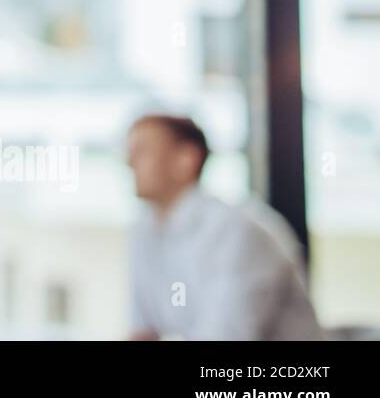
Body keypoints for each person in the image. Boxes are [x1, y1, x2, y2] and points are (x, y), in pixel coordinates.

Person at [125, 112, 323, 340]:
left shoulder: (237, 230)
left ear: (186, 159)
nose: (129, 163)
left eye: (142, 151)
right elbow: (143, 332)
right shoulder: (145, 228)